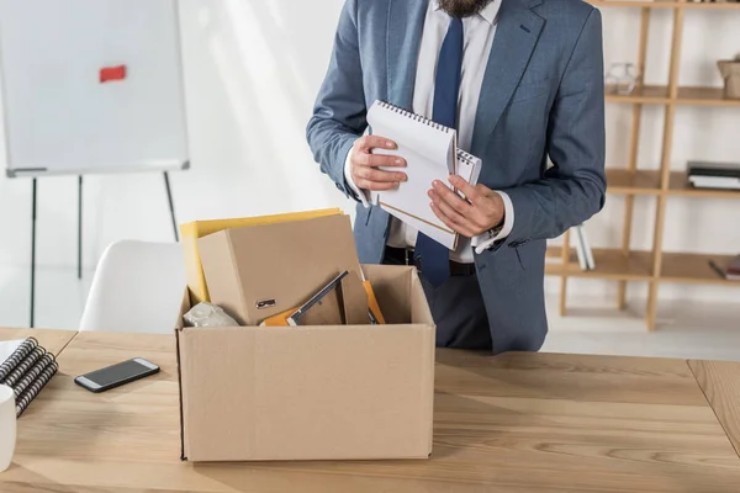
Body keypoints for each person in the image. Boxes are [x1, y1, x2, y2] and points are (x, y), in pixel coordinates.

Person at [306, 0, 606, 353]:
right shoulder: (370, 7)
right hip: (374, 283)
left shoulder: (571, 24)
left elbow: (584, 183)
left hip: (486, 301)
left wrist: (504, 211)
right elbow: (328, 123)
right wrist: (348, 160)